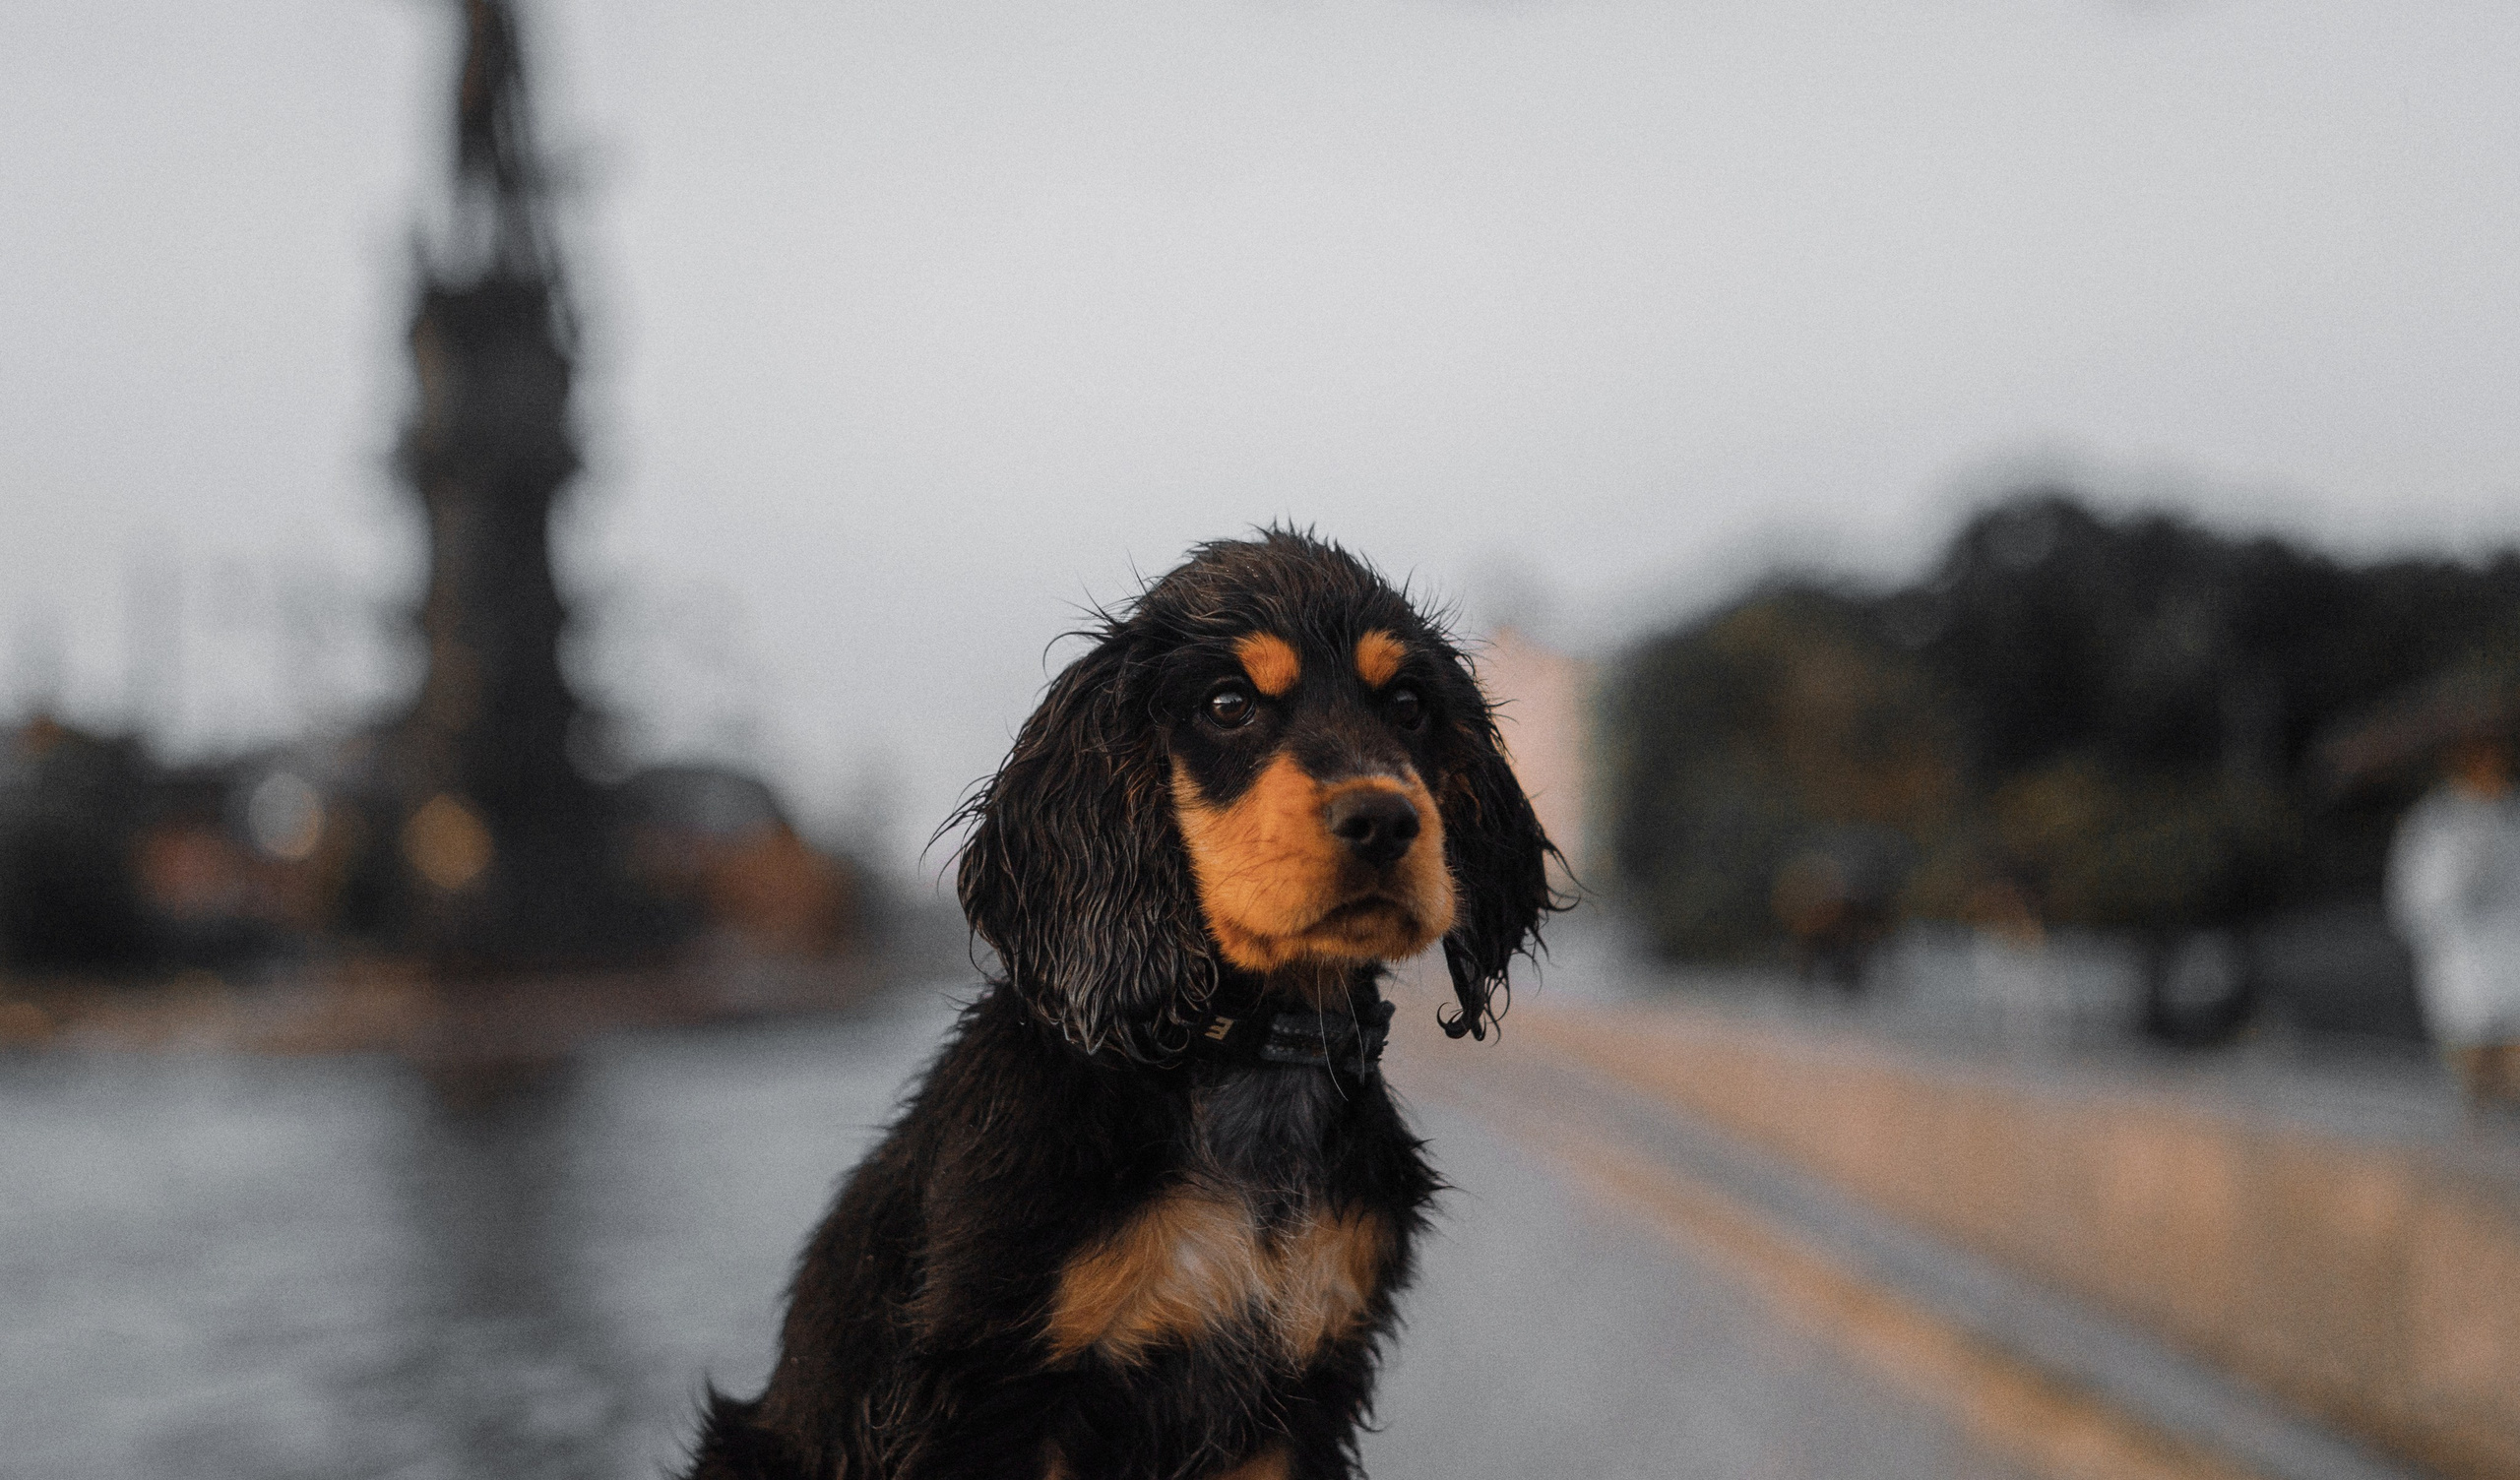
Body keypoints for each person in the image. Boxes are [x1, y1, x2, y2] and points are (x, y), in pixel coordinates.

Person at [2387, 735, 2520, 1115]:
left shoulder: (2513, 817)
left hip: (2515, 987)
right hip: (2462, 989)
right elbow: (2414, 906)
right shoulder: (2434, 826)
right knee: (2474, 1108)